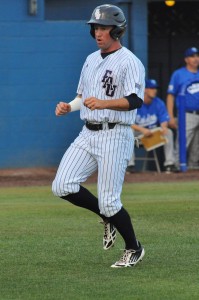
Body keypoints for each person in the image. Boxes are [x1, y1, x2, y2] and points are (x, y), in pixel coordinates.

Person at [52, 4, 145, 268]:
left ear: (117, 30)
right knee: (62, 186)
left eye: (103, 28)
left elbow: (135, 99)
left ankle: (134, 248)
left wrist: (104, 104)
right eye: (95, 27)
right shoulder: (91, 59)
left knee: (109, 200)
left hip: (115, 135)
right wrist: (70, 106)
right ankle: (106, 218)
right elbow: (83, 97)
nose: (98, 33)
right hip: (87, 133)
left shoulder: (130, 61)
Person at [126, 79, 177, 174]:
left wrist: (164, 127)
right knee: (128, 131)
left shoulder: (158, 102)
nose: (155, 90)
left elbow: (163, 120)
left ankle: (169, 164)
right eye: (152, 88)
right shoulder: (136, 102)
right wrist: (142, 129)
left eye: (155, 88)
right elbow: (128, 122)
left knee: (168, 132)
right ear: (145, 89)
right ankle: (130, 165)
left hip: (153, 134)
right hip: (138, 135)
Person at [166, 47, 199, 169]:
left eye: (197, 56)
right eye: (192, 56)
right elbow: (170, 96)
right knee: (183, 143)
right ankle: (177, 168)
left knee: (196, 147)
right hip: (187, 114)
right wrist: (170, 116)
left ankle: (192, 174)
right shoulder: (179, 74)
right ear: (186, 59)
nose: (195, 59)